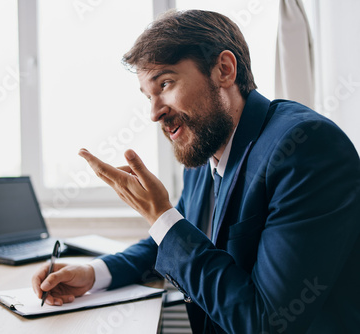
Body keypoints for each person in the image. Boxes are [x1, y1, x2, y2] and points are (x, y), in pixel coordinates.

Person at [32, 9, 360, 333]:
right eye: (149, 96)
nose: (154, 113)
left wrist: (160, 214)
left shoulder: (305, 148)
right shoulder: (204, 150)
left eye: (166, 83)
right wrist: (94, 273)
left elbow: (267, 322)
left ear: (224, 70)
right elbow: (169, 238)